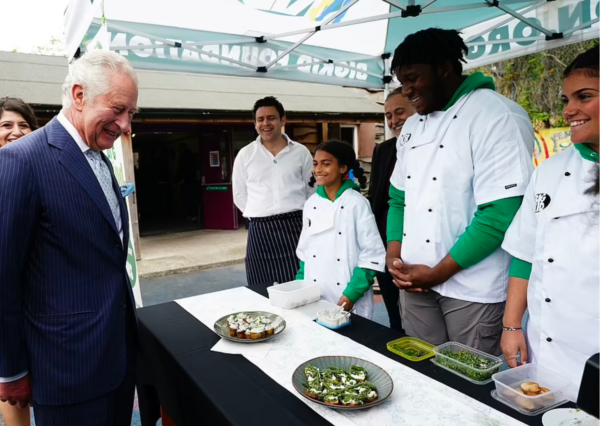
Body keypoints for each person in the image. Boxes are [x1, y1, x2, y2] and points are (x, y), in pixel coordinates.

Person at [0, 50, 139, 426]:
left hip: (117, 360)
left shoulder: (100, 155)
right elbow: (4, 277)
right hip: (67, 373)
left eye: (132, 114)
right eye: (118, 109)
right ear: (78, 95)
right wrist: (10, 370)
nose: (126, 125)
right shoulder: (22, 160)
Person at [386, 28, 535, 354]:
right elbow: (399, 198)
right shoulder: (412, 126)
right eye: (402, 82)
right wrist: (394, 255)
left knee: (471, 383)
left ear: (444, 68)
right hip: (414, 282)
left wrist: (438, 272)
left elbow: (500, 213)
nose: (407, 91)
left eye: (414, 78)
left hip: (474, 288)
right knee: (423, 374)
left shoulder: (496, 115)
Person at [501, 45, 599, 402]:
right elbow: (526, 254)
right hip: (547, 347)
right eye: (566, 98)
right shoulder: (550, 171)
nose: (568, 110)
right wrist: (512, 326)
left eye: (584, 96)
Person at [296, 140, 385, 319]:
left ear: (343, 168)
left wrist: (350, 296)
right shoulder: (310, 204)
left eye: (326, 164)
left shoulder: (357, 203)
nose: (318, 169)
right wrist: (300, 289)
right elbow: (305, 255)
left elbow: (372, 257)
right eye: (315, 164)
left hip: (347, 296)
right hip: (314, 296)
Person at [233, 96, 314, 286]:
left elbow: (312, 190)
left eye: (271, 118)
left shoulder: (301, 152)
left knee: (299, 286)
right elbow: (239, 194)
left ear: (282, 120)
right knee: (260, 289)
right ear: (255, 124)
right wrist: (259, 212)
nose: (265, 123)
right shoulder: (245, 155)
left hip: (295, 228)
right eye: (260, 119)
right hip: (260, 231)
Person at [0, 97, 38, 426]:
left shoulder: (35, 170)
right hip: (6, 308)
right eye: (6, 125)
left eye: (24, 125)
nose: (16, 131)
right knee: (14, 395)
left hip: (35, 307)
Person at [368, 87, 415, 332]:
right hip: (386, 246)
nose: (393, 120)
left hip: (418, 247)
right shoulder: (383, 150)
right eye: (388, 115)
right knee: (394, 318)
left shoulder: (431, 149)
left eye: (399, 112)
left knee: (419, 323)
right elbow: (375, 197)